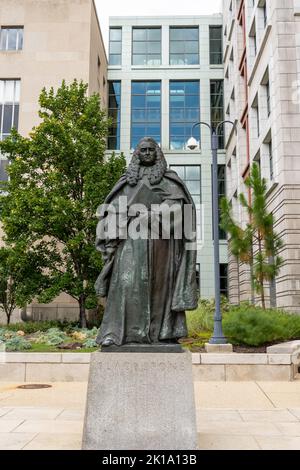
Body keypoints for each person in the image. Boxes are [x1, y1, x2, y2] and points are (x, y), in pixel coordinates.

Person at [95, 137, 198, 347]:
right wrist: (124, 216)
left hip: (162, 245)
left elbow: (181, 209)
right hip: (130, 244)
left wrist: (153, 214)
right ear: (137, 154)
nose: (148, 153)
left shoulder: (170, 180)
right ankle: (117, 333)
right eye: (144, 150)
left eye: (152, 149)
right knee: (124, 285)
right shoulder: (126, 181)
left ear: (158, 153)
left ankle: (161, 333)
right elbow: (111, 210)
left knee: (160, 289)